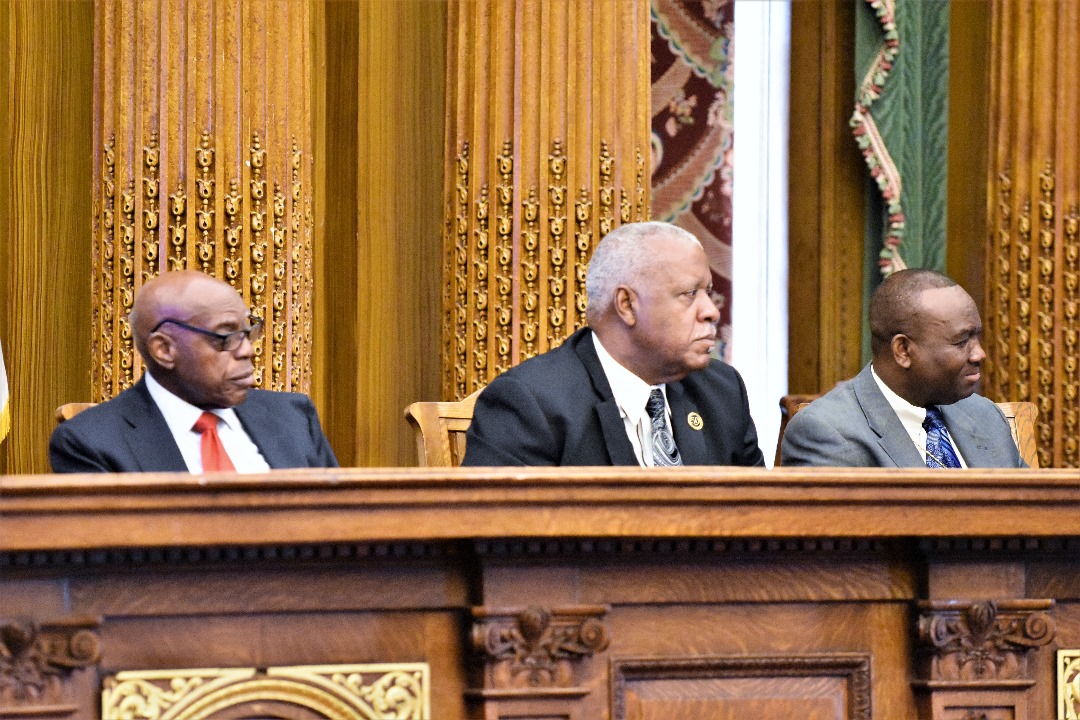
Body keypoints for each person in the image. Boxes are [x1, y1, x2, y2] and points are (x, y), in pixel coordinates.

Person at [461, 221, 764, 467]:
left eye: (708, 292)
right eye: (689, 294)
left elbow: (759, 514)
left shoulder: (722, 392)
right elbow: (500, 523)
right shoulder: (532, 404)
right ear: (626, 305)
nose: (711, 311)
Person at [50, 271, 338, 473]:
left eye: (248, 332)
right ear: (164, 350)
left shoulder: (293, 417)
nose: (247, 350)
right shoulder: (91, 442)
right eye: (225, 336)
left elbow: (338, 524)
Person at [781, 268, 1025, 468]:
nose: (979, 354)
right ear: (903, 350)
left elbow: (1028, 508)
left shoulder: (984, 415)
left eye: (977, 337)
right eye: (961, 341)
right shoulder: (829, 432)